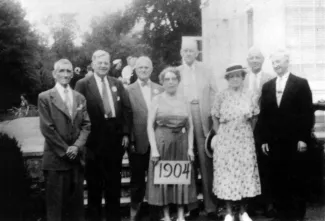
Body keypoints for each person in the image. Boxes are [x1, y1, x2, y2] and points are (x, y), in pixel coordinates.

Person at [75, 50, 132, 221]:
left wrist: (126, 133)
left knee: (113, 185)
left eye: (106, 62)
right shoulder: (83, 84)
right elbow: (77, 114)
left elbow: (127, 110)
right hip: (93, 141)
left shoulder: (117, 83)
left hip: (114, 140)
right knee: (94, 186)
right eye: (100, 62)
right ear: (92, 64)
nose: (103, 65)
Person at [259, 49, 313, 221]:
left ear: (287, 61)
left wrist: (303, 138)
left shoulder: (300, 83)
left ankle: (297, 214)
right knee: (277, 177)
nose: (276, 65)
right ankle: (281, 213)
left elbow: (307, 113)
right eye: (273, 62)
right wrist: (264, 140)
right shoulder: (267, 86)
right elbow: (264, 115)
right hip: (275, 142)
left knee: (295, 177)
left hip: (294, 140)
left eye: (279, 62)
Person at [38, 59, 91, 221]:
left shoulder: (80, 98)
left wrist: (76, 147)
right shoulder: (45, 97)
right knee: (56, 209)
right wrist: (66, 150)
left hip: (76, 160)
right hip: (56, 159)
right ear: (54, 74)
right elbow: (47, 129)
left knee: (76, 208)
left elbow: (86, 125)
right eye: (61, 71)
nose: (66, 74)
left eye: (68, 71)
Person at [211, 64, 261, 221]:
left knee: (245, 174)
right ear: (227, 79)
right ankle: (228, 212)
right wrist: (220, 135)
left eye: (237, 76)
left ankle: (242, 211)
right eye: (231, 76)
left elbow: (254, 117)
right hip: (226, 139)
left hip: (244, 139)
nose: (234, 79)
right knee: (227, 175)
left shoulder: (250, 95)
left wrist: (247, 133)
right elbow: (214, 116)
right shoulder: (221, 95)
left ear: (243, 78)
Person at [146, 67, 197, 221]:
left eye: (173, 79)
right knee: (163, 179)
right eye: (167, 79)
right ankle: (166, 215)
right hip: (162, 142)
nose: (170, 82)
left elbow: (191, 126)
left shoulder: (184, 99)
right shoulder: (157, 99)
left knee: (181, 177)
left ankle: (181, 215)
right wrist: (154, 149)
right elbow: (149, 126)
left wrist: (190, 148)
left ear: (178, 81)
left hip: (181, 143)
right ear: (162, 82)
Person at [177, 39, 218, 218]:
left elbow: (215, 94)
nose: (188, 54)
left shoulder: (206, 70)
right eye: (185, 51)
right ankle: (192, 206)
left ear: (197, 53)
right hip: (184, 121)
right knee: (188, 163)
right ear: (181, 52)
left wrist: (214, 122)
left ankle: (211, 207)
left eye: (191, 51)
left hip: (204, 118)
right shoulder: (176, 72)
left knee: (206, 163)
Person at [127, 56, 164, 221]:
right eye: (140, 67)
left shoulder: (160, 88)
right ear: (135, 70)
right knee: (137, 179)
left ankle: (156, 210)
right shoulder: (128, 90)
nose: (143, 70)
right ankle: (136, 209)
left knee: (157, 177)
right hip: (138, 141)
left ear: (151, 70)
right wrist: (131, 139)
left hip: (158, 141)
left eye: (146, 67)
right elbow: (126, 118)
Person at [245, 47, 275, 216]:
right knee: (249, 165)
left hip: (264, 125)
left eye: (258, 58)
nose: (255, 60)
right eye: (252, 58)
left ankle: (268, 204)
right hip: (247, 126)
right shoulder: (244, 79)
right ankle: (251, 204)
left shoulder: (270, 78)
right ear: (248, 61)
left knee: (265, 164)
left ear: (262, 60)